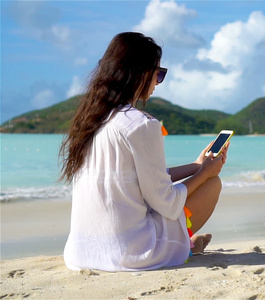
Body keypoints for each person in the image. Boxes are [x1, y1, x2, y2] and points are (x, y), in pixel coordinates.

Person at [59, 32, 228, 271]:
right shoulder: (142, 124)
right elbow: (167, 203)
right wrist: (205, 175)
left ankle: (184, 243)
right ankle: (184, 246)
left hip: (79, 255)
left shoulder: (89, 122)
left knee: (201, 179)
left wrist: (197, 166)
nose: (157, 83)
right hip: (130, 254)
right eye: (158, 74)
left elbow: (138, 179)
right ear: (139, 73)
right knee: (212, 184)